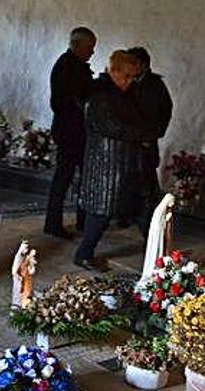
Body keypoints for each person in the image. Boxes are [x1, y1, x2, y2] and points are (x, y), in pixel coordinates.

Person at [74, 50, 152, 271]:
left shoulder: (126, 95)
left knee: (142, 207)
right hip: (106, 165)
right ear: (114, 71)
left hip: (127, 163)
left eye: (133, 77)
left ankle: (160, 253)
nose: (129, 82)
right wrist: (141, 134)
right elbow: (113, 127)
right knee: (101, 212)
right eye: (126, 76)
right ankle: (84, 253)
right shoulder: (99, 96)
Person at [44, 27, 96, 239]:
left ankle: (83, 222)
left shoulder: (77, 66)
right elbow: (69, 101)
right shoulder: (66, 67)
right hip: (70, 132)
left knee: (84, 178)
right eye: (89, 47)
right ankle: (53, 224)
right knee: (63, 179)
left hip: (78, 132)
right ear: (76, 45)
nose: (92, 52)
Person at [124, 46, 172, 230]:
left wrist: (152, 134)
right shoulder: (129, 83)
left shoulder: (154, 85)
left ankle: (148, 223)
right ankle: (127, 214)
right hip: (129, 142)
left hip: (145, 142)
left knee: (147, 184)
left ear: (142, 65)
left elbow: (164, 112)